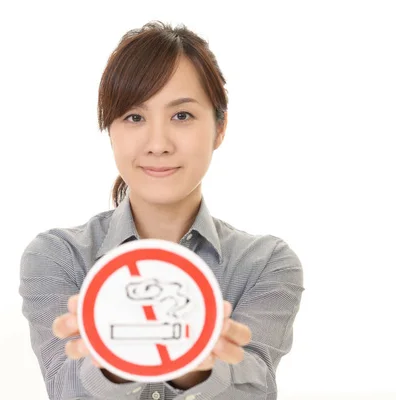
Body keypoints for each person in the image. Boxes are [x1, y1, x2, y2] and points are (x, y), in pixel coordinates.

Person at [19, 20, 304, 400]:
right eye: (134, 117)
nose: (157, 143)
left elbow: (254, 388)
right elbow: (66, 389)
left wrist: (193, 367)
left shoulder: (266, 263)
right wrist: (118, 363)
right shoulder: (59, 257)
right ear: (111, 130)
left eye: (182, 115)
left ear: (220, 128)